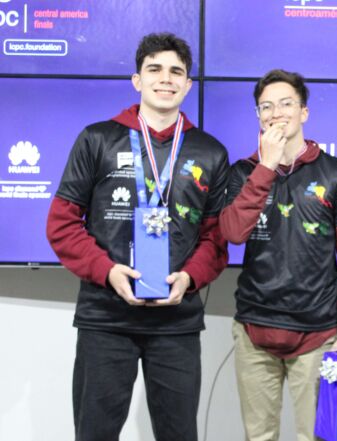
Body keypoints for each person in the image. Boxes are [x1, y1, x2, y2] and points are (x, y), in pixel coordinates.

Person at [46, 33, 229, 441]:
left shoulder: (210, 151)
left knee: (178, 434)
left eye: (176, 72)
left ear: (188, 85)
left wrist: (189, 278)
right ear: (137, 80)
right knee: (95, 433)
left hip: (177, 322)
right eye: (155, 69)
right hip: (105, 318)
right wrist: (107, 271)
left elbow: (216, 239)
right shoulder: (97, 138)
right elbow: (61, 223)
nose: (165, 79)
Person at [218, 69, 337, 441]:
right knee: (259, 436)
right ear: (258, 116)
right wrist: (266, 166)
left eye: (286, 104)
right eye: (266, 107)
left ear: (304, 112)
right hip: (254, 329)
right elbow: (233, 233)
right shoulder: (243, 172)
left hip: (318, 334)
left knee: (320, 437)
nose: (276, 113)